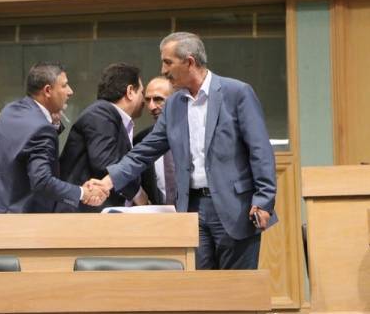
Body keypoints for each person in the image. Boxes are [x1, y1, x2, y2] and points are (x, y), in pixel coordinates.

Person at [94, 32, 277, 270]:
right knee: (198, 286)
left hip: (237, 208)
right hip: (192, 210)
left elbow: (260, 150)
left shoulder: (237, 93)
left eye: (168, 62)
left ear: (189, 62)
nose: (163, 70)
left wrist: (264, 199)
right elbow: (145, 151)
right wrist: (108, 181)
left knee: (237, 287)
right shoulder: (173, 104)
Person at [0, 61, 107, 213]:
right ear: (48, 90)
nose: (70, 91)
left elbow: (26, 144)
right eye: (64, 85)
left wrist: (52, 122)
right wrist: (82, 193)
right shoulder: (41, 129)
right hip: (15, 221)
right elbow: (42, 181)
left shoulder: (10, 110)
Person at [57, 62, 146, 212]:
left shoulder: (110, 116)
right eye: (142, 93)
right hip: (86, 215)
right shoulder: (101, 113)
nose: (144, 101)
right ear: (130, 91)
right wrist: (138, 194)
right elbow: (105, 163)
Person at [133, 76, 176, 205]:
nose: (151, 106)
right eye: (147, 100)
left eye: (158, 99)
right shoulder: (140, 140)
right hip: (157, 214)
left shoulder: (194, 135)